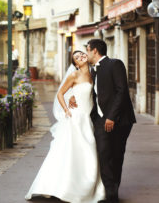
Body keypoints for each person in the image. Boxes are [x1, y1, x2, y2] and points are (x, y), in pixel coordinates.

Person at [25, 50, 106, 203]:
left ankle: (87, 187)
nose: (81, 57)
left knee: (87, 151)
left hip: (87, 118)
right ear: (75, 63)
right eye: (77, 57)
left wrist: (73, 97)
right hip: (75, 118)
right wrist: (67, 110)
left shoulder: (94, 73)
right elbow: (60, 93)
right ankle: (67, 188)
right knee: (75, 150)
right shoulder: (74, 75)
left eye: (82, 54)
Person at [70, 39, 136, 203]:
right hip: (99, 119)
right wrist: (73, 96)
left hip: (119, 120)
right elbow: (89, 91)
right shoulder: (91, 71)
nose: (85, 53)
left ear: (94, 50)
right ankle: (110, 195)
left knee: (116, 155)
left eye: (87, 49)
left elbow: (122, 92)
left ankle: (113, 193)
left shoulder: (115, 64)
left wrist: (111, 117)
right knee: (103, 154)